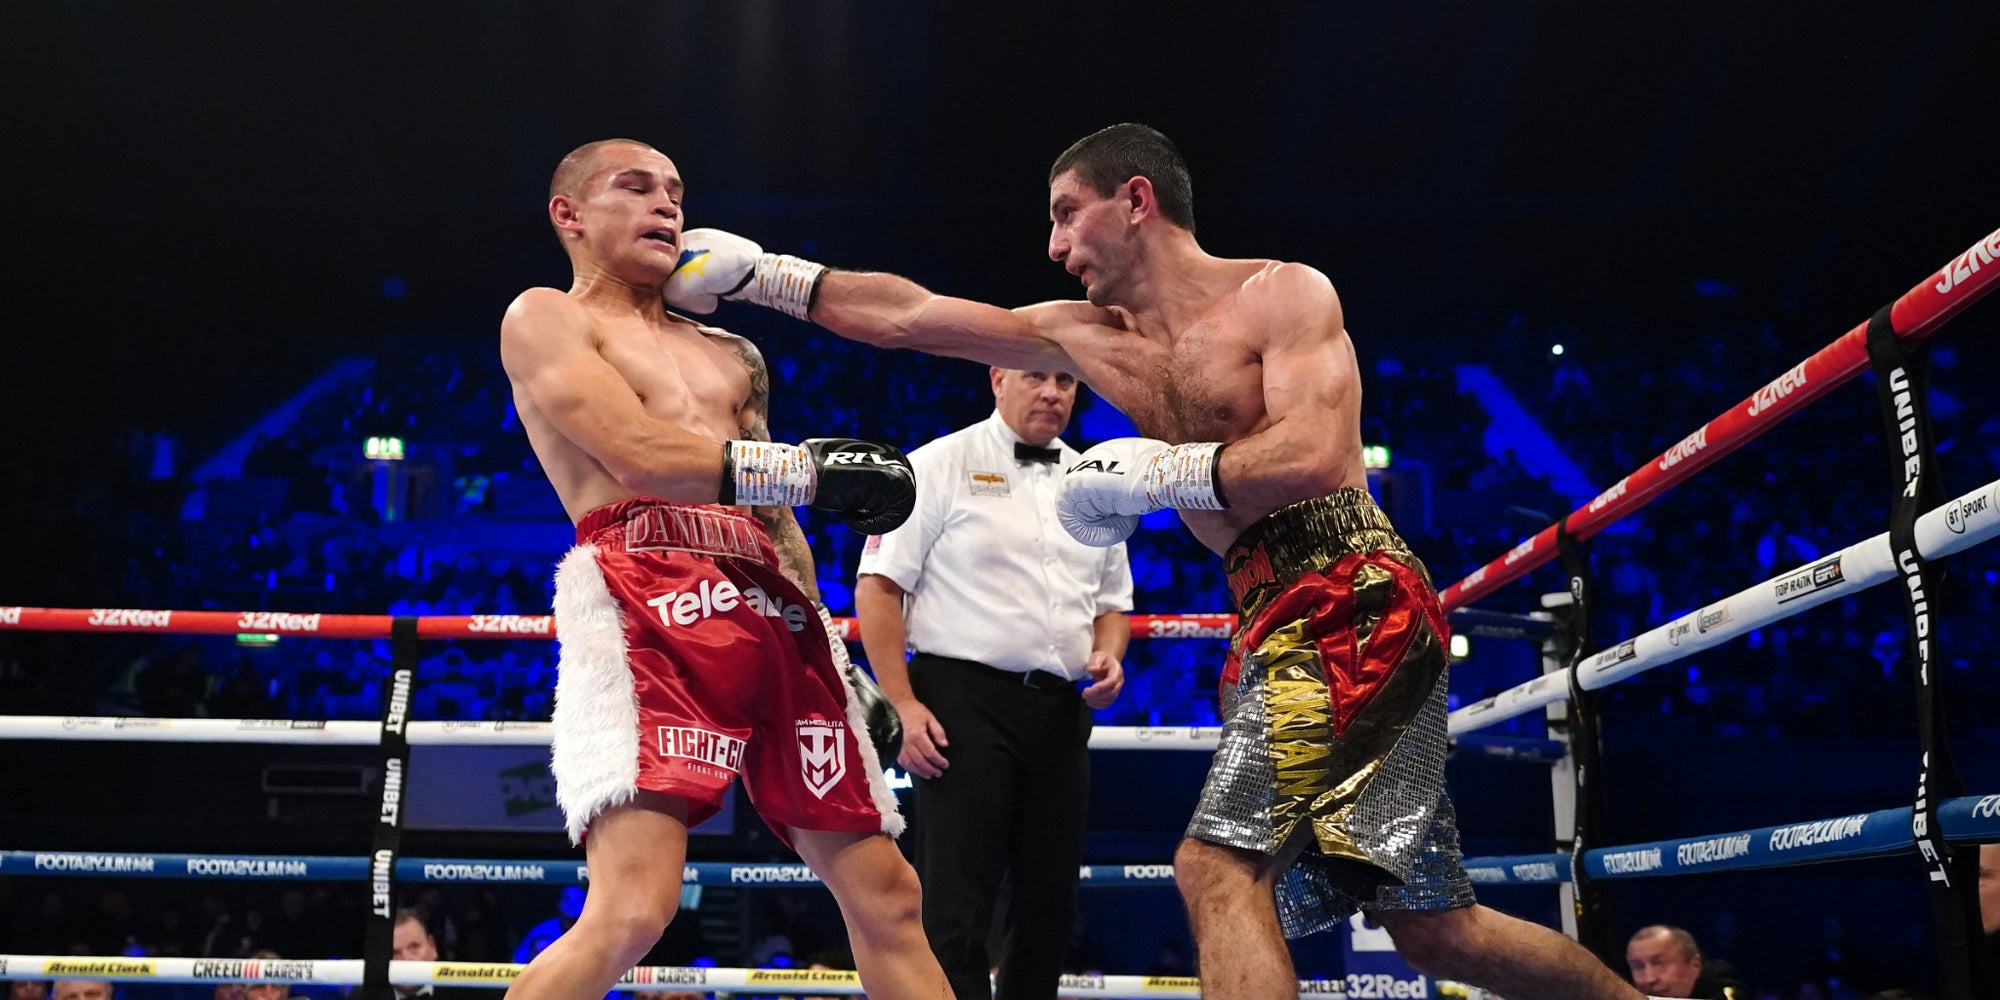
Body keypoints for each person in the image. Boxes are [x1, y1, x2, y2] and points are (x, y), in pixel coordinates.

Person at [663, 122, 1642, 999]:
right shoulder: (1085, 338)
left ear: (1134, 201)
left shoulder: (1281, 294)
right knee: (1433, 928)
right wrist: (767, 277)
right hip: (1277, 614)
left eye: (1064, 214)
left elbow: (1304, 456)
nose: (1051, 245)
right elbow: (910, 316)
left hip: (1351, 593)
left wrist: (1155, 475)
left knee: (1216, 869)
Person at [497, 138, 948, 1000]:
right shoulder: (547, 316)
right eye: (635, 188)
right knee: (633, 909)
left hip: (771, 604)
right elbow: (637, 455)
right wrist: (812, 471)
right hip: (642, 591)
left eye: (674, 190)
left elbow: (774, 518)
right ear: (570, 216)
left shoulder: (734, 354)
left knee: (889, 896)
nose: (666, 205)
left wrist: (838, 656)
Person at [855, 367, 1133, 1000]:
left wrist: (1109, 656)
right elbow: (877, 587)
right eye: (1036, 376)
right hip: (960, 700)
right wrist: (901, 704)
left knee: (1050, 901)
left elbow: (1113, 603)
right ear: (998, 378)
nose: (1052, 392)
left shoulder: (1097, 482)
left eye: (1066, 380)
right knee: (957, 900)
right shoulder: (937, 464)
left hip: (1060, 711)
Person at [1625, 925, 1748, 1000]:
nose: (1649, 978)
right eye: (1638, 966)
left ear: (1695, 965)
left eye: (1660, 964)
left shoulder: (1727, 993)